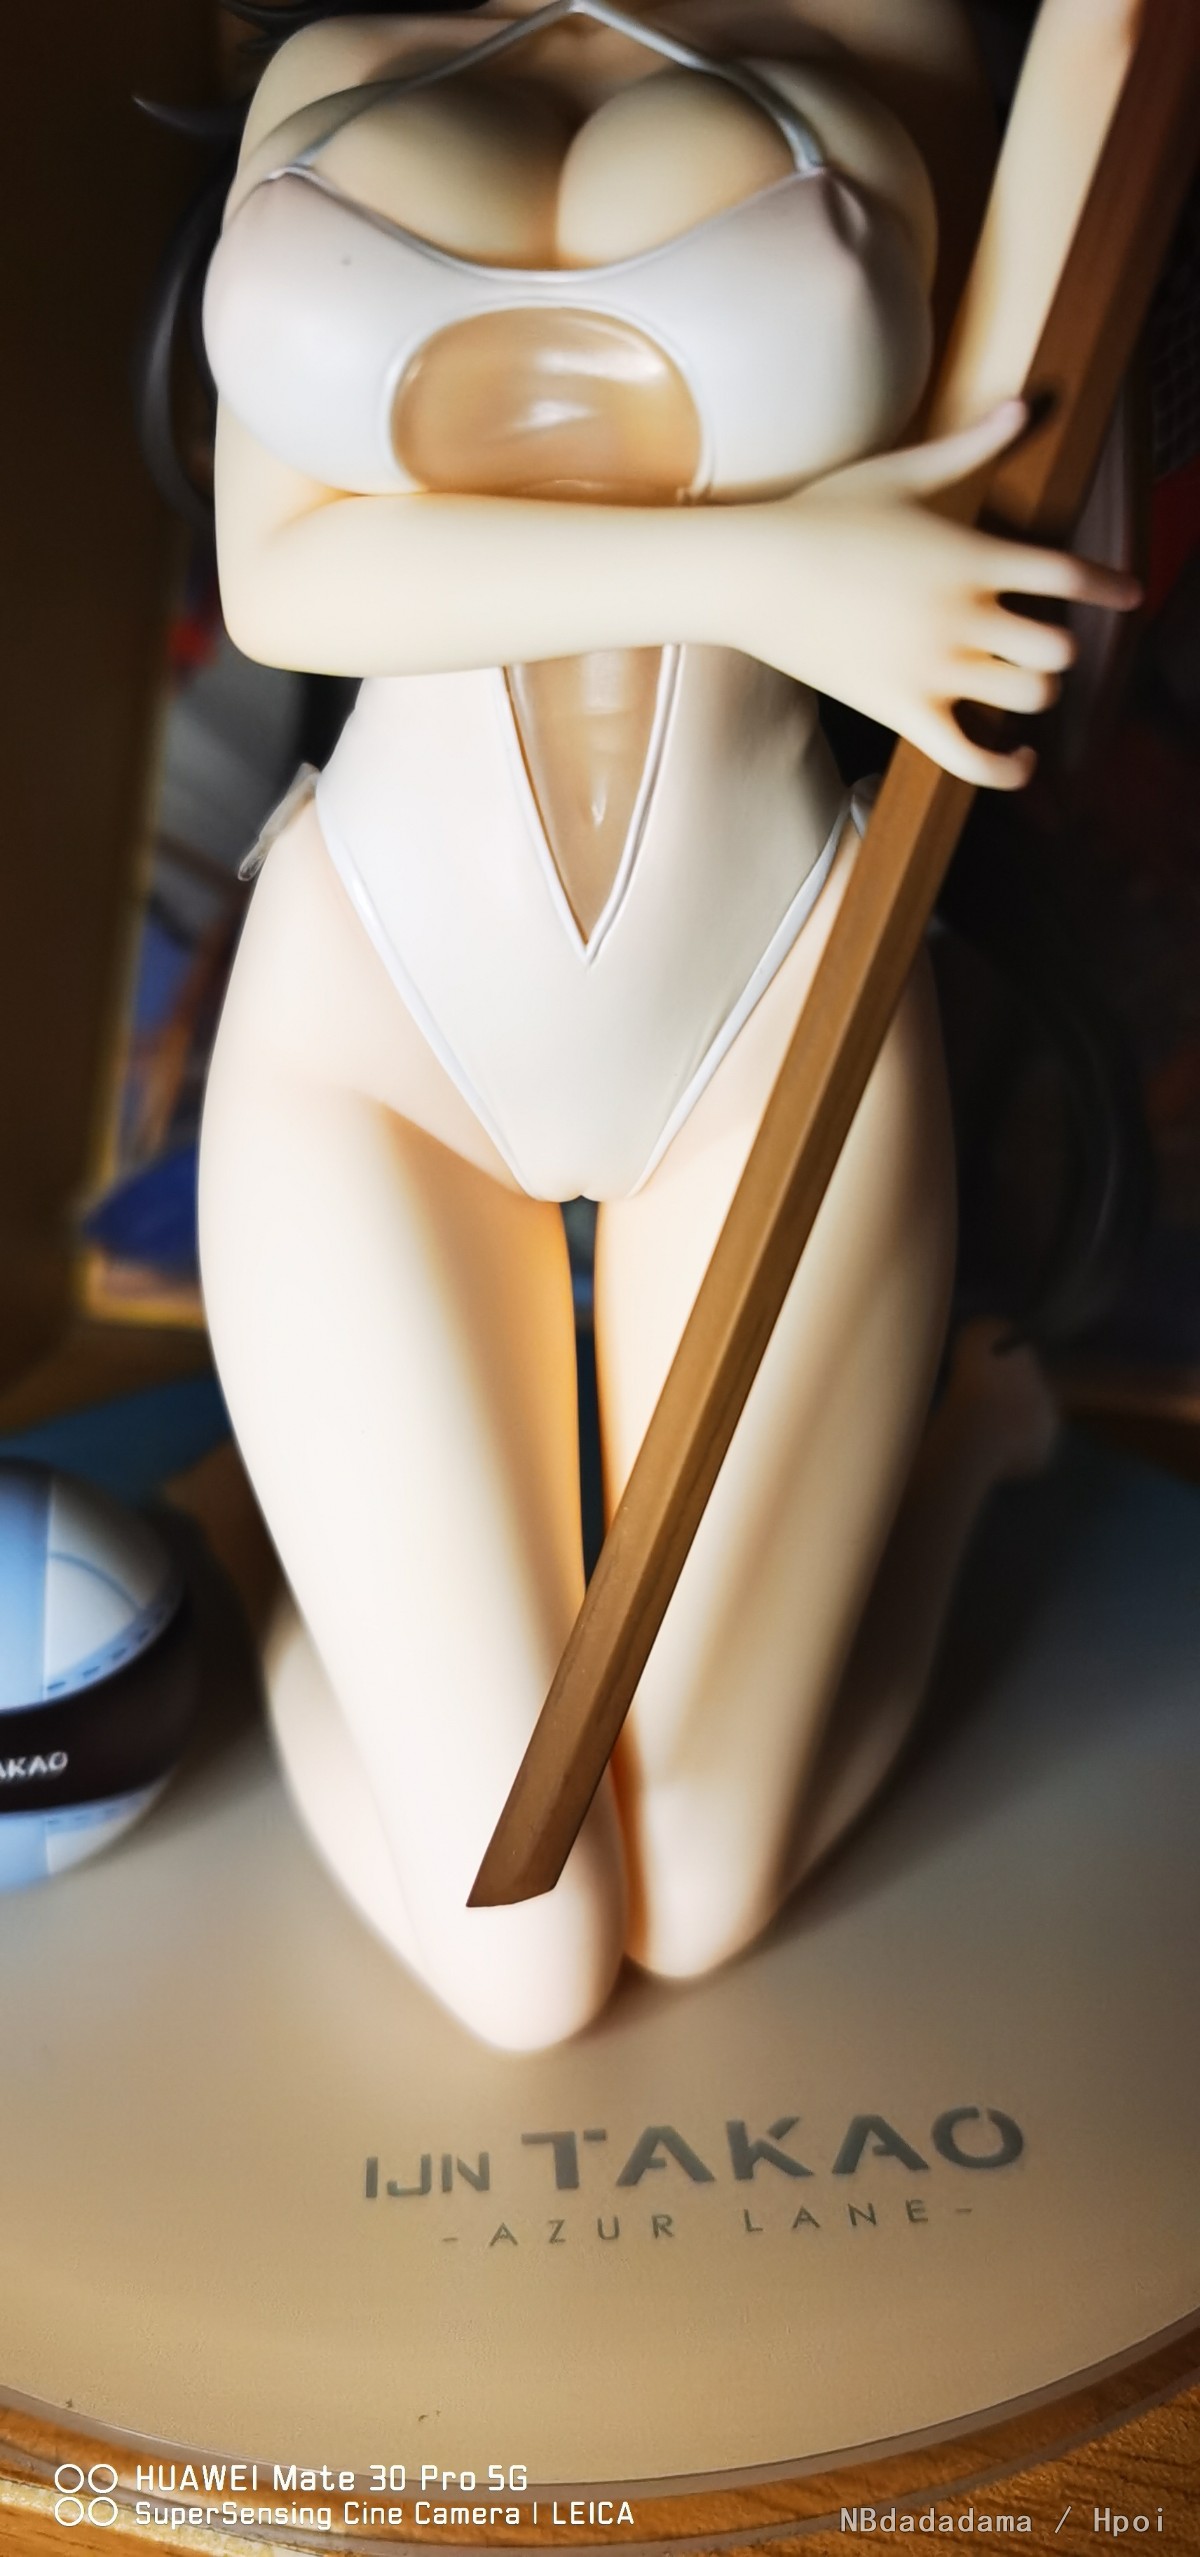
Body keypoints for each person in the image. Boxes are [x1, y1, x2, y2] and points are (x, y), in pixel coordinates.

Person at [197, 0, 1143, 2048]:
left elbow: (1000, 495)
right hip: (372, 1022)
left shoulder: (891, 33)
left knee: (702, 1896)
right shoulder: (335, 54)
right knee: (527, 1974)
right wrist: (767, 575)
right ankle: (297, 1590)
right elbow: (279, 583)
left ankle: (964, 1456)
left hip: (779, 1019)